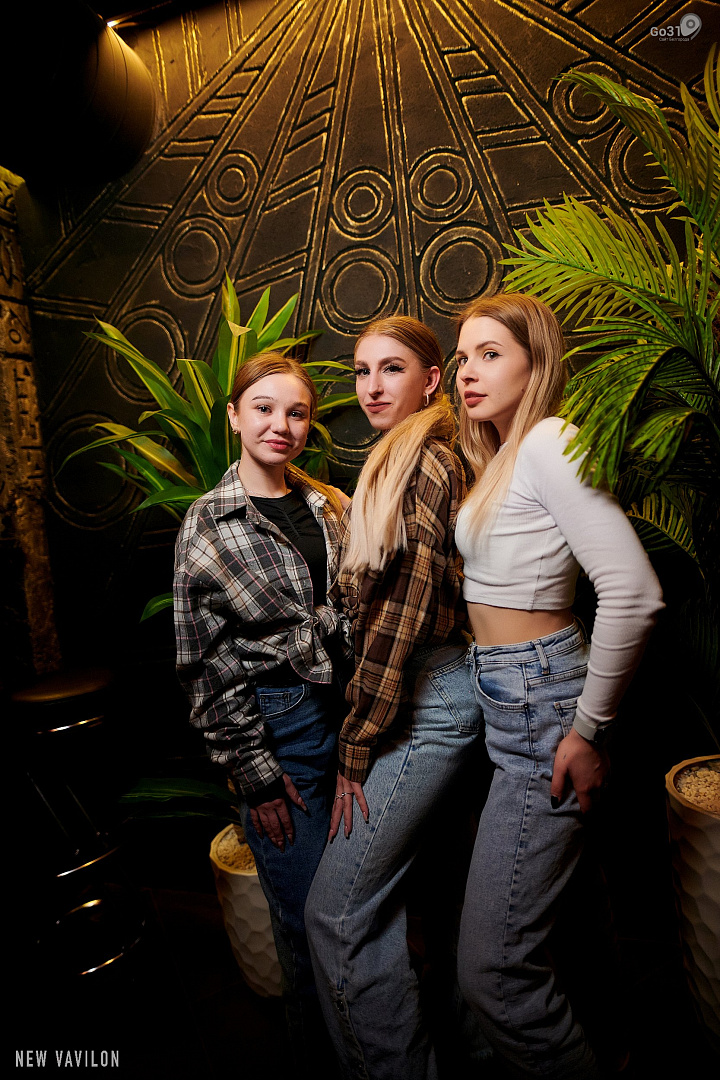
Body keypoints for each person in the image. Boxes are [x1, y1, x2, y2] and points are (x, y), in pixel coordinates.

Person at [453, 293, 664, 1078]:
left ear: (536, 363)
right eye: (462, 357)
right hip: (513, 700)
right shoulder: (507, 453)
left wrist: (587, 730)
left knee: (494, 970)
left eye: (490, 354)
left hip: (542, 705)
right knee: (566, 926)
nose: (468, 371)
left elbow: (635, 592)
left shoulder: (548, 440)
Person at [305, 317, 484, 1080]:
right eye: (361, 371)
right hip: (433, 689)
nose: (372, 387)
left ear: (432, 380)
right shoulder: (401, 457)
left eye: (392, 369)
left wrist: (356, 743)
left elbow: (404, 612)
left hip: (427, 696)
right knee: (439, 898)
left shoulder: (424, 462)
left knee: (336, 913)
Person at [173, 352, 352, 1073]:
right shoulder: (208, 522)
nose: (281, 425)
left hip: (352, 717)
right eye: (264, 408)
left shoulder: (327, 503)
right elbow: (202, 660)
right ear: (235, 416)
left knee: (351, 915)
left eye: (297, 412)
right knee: (307, 926)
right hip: (282, 728)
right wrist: (253, 771)